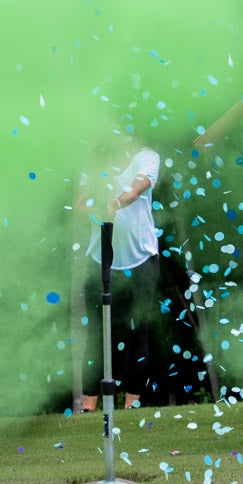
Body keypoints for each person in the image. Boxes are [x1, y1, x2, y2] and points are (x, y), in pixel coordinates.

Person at [78, 137, 164, 412]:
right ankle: (90, 405)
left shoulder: (148, 156)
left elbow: (138, 188)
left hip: (142, 257)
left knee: (139, 328)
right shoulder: (93, 161)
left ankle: (132, 404)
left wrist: (116, 202)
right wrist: (95, 210)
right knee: (96, 332)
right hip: (99, 256)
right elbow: (80, 203)